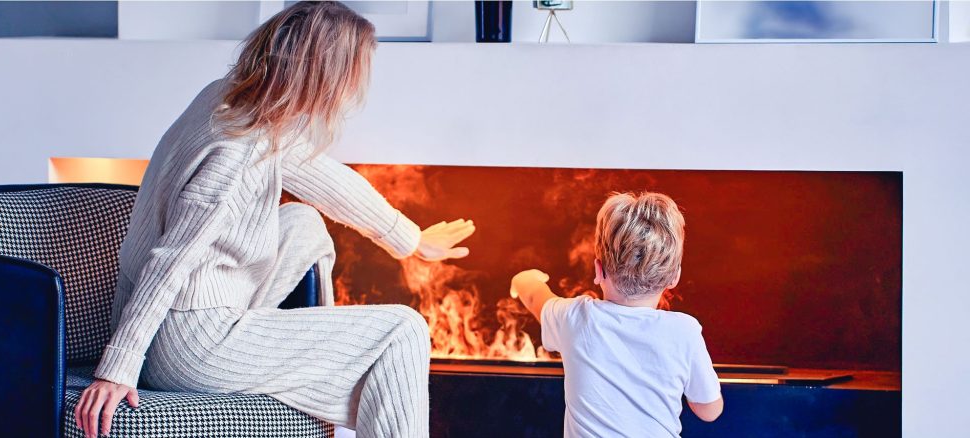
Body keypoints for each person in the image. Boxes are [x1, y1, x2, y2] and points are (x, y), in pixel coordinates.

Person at [73, 3, 475, 437]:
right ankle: (330, 368)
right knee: (404, 330)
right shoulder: (236, 152)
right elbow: (170, 260)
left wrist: (410, 239)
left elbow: (322, 175)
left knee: (303, 222)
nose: (353, 90)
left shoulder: (230, 99)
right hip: (190, 344)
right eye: (352, 74)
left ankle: (317, 359)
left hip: (192, 316)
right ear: (325, 75)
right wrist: (118, 367)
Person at [510, 192, 722, 437]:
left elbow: (535, 297)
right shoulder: (685, 331)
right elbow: (710, 411)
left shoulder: (576, 318)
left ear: (598, 270)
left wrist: (523, 279)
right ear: (674, 277)